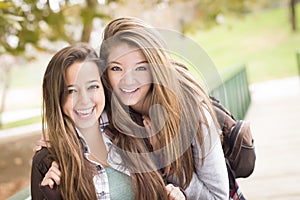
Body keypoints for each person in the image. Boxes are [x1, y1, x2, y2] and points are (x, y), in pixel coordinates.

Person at [31, 43, 185, 200]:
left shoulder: (135, 130)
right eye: (71, 91)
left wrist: (176, 195)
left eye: (92, 86)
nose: (84, 100)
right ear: (57, 98)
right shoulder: (46, 162)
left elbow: (163, 187)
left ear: (103, 87)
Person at [98, 17, 229, 199]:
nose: (127, 80)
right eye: (116, 68)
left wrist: (167, 158)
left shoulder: (192, 110)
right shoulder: (106, 104)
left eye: (140, 68)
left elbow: (219, 197)